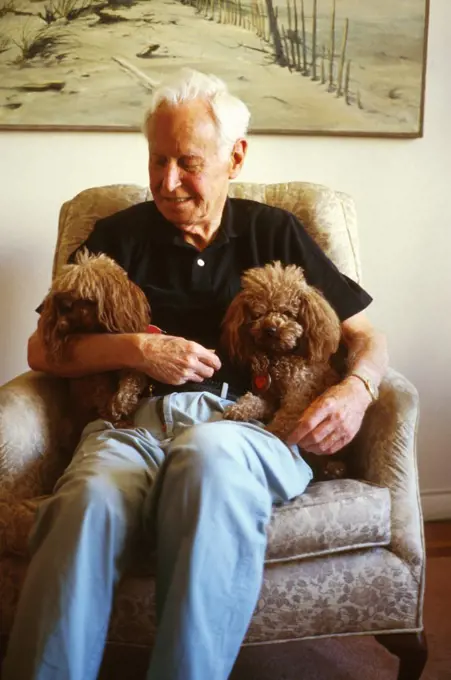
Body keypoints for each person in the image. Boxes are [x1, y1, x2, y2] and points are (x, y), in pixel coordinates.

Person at [3, 69, 388, 680]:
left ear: (234, 156)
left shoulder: (275, 230)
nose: (167, 181)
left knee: (207, 457)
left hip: (247, 426)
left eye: (187, 162)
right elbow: (42, 351)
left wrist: (357, 388)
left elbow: (366, 334)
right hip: (133, 426)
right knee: (86, 502)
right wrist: (135, 350)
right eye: (157, 160)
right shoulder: (116, 237)